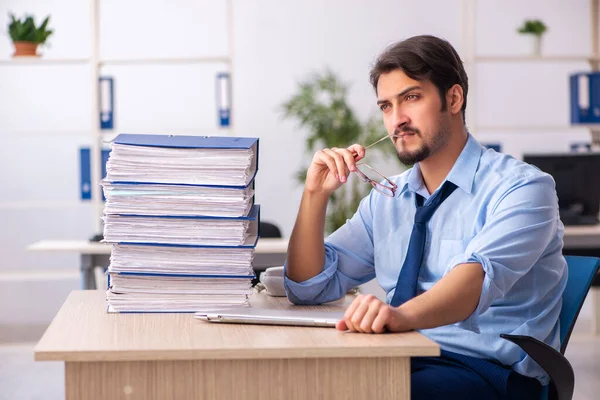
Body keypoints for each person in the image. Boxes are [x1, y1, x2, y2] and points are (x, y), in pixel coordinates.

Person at [283, 34, 567, 400]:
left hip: (485, 371)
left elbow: (471, 285)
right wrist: (314, 196)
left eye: (411, 98)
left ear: (453, 98)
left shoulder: (525, 188)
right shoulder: (388, 199)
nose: (397, 120)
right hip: (399, 354)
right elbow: (308, 286)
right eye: (386, 106)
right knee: (295, 383)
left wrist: (396, 317)